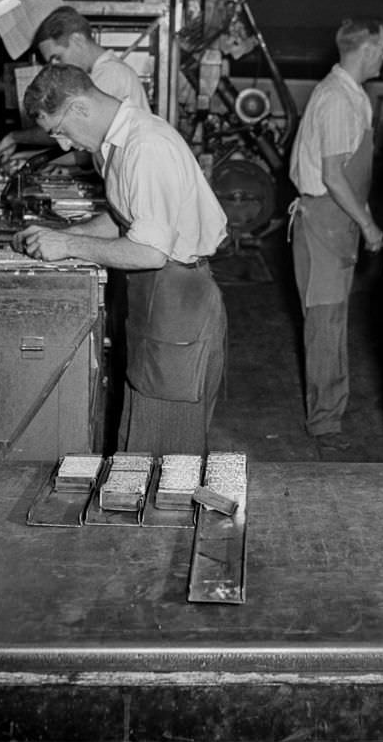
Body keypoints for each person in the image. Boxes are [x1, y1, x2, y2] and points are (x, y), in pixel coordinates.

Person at [13, 63, 228, 454]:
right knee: (142, 436)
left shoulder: (146, 146)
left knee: (166, 448)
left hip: (178, 300)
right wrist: (68, 235)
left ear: (79, 106)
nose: (62, 144)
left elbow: (149, 250)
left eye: (60, 129)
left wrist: (69, 248)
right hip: (156, 299)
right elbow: (124, 219)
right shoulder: (121, 144)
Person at [288, 18, 383, 450]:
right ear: (366, 48)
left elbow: (352, 173)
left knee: (333, 319)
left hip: (340, 214)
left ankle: (332, 406)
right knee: (325, 322)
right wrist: (367, 223)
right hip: (323, 219)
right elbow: (332, 175)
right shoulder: (335, 99)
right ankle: (325, 423)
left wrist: (364, 217)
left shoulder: (353, 95)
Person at [0, 6, 149, 172]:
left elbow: (62, 127)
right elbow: (83, 149)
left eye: (57, 57)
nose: (56, 66)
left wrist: (15, 138)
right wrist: (30, 156)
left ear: (77, 40)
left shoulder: (109, 73)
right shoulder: (102, 72)